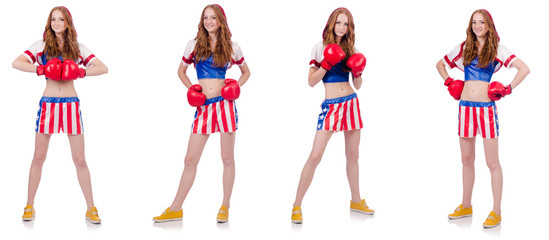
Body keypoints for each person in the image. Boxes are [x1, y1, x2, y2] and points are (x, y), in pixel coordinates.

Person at [153, 4, 250, 223]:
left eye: (213, 18)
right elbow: (181, 71)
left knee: (227, 157)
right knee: (190, 158)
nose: (208, 21)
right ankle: (176, 208)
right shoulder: (194, 44)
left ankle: (225, 206)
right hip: (204, 106)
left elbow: (246, 72)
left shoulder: (232, 47)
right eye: (205, 18)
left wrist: (236, 86)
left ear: (221, 21)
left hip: (225, 105)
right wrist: (191, 88)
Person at [12, 6, 108, 224]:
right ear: (50, 23)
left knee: (80, 159)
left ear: (67, 23)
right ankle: (29, 205)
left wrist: (81, 71)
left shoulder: (78, 48)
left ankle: (91, 208)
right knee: (39, 156)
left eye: (60, 19)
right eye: (53, 19)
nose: (56, 23)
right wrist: (41, 69)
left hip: (71, 105)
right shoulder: (41, 45)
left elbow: (103, 68)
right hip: (48, 105)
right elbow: (16, 62)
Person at [436, 9, 530, 228]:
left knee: (492, 162)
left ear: (489, 25)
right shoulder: (463, 47)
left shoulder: (497, 49)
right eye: (474, 22)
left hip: (487, 109)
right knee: (466, 160)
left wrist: (507, 89)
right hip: (465, 107)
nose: (478, 26)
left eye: (481, 22)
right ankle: (466, 205)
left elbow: (524, 69)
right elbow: (439, 64)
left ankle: (496, 211)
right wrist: (449, 82)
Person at [291, 7, 372, 224]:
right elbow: (311, 81)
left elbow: (358, 85)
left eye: (346, 24)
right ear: (331, 23)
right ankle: (296, 205)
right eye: (339, 23)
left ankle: (356, 201)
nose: (342, 28)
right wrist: (326, 63)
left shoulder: (352, 49)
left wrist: (358, 73)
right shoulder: (320, 47)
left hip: (351, 103)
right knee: (315, 156)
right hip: (331, 106)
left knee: (353, 155)